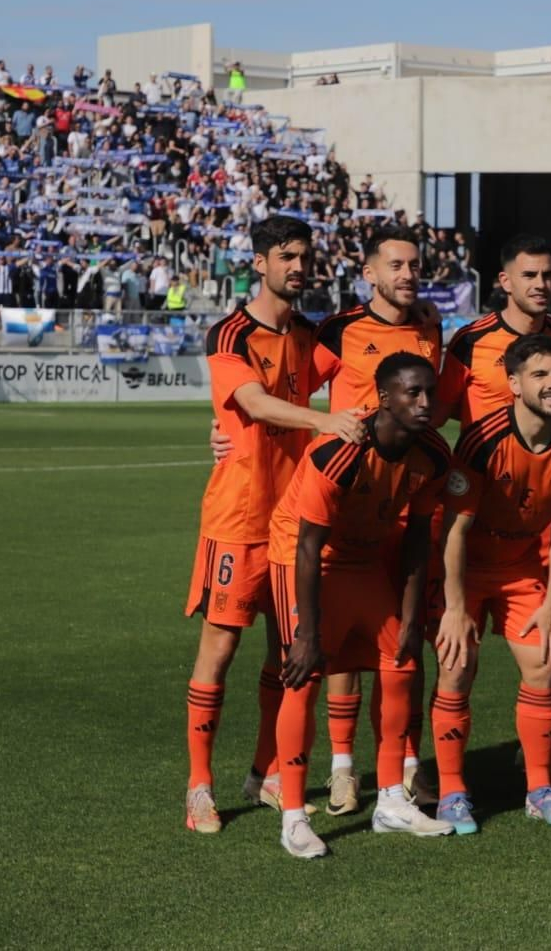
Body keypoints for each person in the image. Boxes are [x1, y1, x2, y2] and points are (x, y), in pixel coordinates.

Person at [181, 216, 367, 835]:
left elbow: (347, 377)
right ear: (258, 263)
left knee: (287, 655)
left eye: (304, 256)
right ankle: (199, 788)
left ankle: (263, 774)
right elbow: (254, 403)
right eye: (286, 256)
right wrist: (322, 423)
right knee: (221, 648)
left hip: (295, 523)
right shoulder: (230, 332)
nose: (298, 266)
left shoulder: (312, 336)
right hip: (237, 517)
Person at [268, 354, 455, 857]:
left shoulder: (434, 454)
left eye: (430, 393)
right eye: (412, 393)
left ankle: (392, 800)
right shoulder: (340, 453)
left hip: (366, 560)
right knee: (301, 676)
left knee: (401, 662)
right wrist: (307, 633)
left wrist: (413, 619)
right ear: (384, 398)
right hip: (309, 559)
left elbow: (418, 540)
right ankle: (291, 816)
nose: (425, 403)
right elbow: (308, 546)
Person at [429, 334, 551, 834]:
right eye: (540, 375)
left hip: (524, 568)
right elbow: (455, 530)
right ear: (513, 383)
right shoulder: (482, 440)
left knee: (544, 665)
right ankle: (451, 792)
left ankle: (539, 788)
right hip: (466, 569)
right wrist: (457, 608)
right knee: (457, 667)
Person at [302, 224, 444, 813]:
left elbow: (445, 400)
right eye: (395, 265)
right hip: (351, 503)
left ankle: (407, 764)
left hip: (409, 499)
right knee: (349, 646)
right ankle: (342, 768)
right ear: (370, 273)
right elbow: (292, 388)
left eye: (414, 264)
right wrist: (227, 431)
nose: (407, 274)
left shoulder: (433, 327)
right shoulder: (337, 330)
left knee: (409, 637)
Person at [436, 234, 551, 427]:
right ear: (505, 281)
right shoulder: (471, 340)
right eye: (529, 275)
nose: (541, 285)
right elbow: (439, 413)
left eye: (548, 275)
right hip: (485, 457)